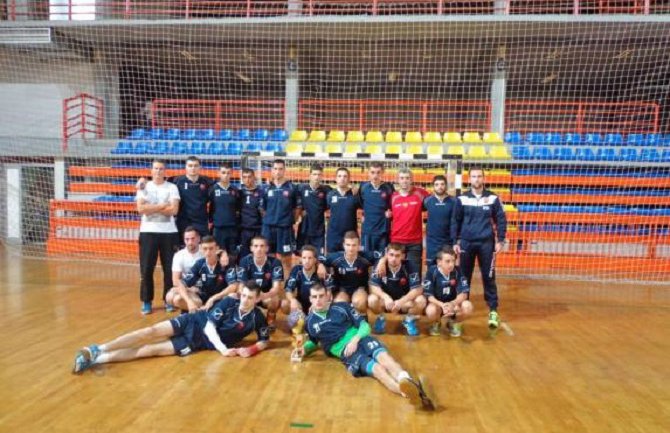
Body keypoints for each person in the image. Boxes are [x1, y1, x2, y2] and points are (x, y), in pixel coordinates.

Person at [72, 282, 270, 374]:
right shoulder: (229, 302)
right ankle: (99, 348)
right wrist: (224, 350)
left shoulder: (257, 318)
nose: (244, 300)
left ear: (257, 299)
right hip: (194, 321)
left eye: (249, 297)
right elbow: (210, 327)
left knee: (150, 350)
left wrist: (251, 349)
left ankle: (96, 360)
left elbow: (264, 340)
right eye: (243, 295)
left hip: (197, 342)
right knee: (149, 332)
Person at [295, 284, 428, 406]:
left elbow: (365, 326)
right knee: (377, 369)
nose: (318, 300)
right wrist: (304, 349)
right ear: (310, 299)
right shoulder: (310, 323)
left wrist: (355, 340)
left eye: (321, 296)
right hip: (347, 352)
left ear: (327, 296)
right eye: (314, 297)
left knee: (384, 358)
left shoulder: (342, 307)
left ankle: (407, 380)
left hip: (361, 339)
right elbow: (315, 342)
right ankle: (406, 392)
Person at [451, 166, 507, 329]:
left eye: (479, 176)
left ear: (484, 178)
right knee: (464, 277)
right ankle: (461, 309)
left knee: (489, 277)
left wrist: (500, 240)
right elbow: (455, 221)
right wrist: (455, 241)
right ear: (469, 179)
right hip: (466, 243)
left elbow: (501, 219)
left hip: (486, 244)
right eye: (474, 176)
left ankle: (493, 311)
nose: (476, 179)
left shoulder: (493, 198)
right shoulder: (462, 199)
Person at [136, 159, 180, 315]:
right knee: (146, 268)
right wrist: (162, 206)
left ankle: (168, 300)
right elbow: (141, 209)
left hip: (169, 233)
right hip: (148, 233)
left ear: (165, 171)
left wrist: (151, 208)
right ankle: (147, 301)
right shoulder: (144, 186)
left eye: (161, 169)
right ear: (151, 170)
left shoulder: (172, 187)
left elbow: (174, 210)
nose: (158, 171)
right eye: (155, 168)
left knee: (169, 269)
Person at [167, 235, 238, 313]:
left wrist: (214, 298)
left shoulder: (226, 262)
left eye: (211, 248)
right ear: (201, 248)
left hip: (221, 298)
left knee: (232, 295)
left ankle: (203, 313)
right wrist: (189, 302)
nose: (208, 252)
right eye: (205, 249)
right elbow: (182, 284)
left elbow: (233, 286)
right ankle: (200, 311)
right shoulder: (200, 263)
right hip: (203, 297)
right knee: (171, 296)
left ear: (217, 248)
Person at [368, 243, 426, 336]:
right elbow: (373, 286)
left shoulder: (410, 266)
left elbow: (417, 289)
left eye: (397, 255)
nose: (393, 258)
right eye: (391, 255)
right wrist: (386, 297)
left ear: (403, 256)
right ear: (386, 254)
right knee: (372, 299)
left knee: (421, 300)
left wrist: (401, 301)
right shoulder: (380, 265)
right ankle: (381, 317)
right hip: (386, 302)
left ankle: (409, 319)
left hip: (404, 302)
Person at [320, 231, 375, 316]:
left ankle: (362, 321)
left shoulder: (365, 257)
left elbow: (382, 256)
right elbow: (318, 258)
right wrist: (320, 265)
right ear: (343, 245)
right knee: (339, 304)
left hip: (359, 289)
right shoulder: (336, 258)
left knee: (359, 302)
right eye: (348, 245)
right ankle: (346, 322)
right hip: (342, 289)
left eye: (354, 245)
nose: (351, 248)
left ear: (359, 246)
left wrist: (382, 262)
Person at [260, 159, 300, 273]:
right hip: (268, 228)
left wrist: (290, 220)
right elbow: (262, 209)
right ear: (272, 170)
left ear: (284, 170)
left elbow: (297, 208)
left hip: (285, 228)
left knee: (286, 258)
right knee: (268, 256)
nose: (278, 171)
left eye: (280, 169)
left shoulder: (292, 188)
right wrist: (270, 218)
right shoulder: (266, 188)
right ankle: (271, 281)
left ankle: (287, 282)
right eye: (275, 169)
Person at [236, 236, 285, 329]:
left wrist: (263, 296)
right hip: (250, 294)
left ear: (267, 248)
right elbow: (241, 286)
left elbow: (276, 288)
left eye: (262, 246)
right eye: (256, 246)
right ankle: (245, 317)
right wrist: (249, 297)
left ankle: (270, 318)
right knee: (235, 296)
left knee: (274, 299)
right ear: (251, 248)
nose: (259, 249)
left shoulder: (275, 262)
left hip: (265, 295)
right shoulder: (244, 261)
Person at [423, 247, 473, 337]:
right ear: (439, 262)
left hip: (453, 305)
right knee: (430, 311)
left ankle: (454, 323)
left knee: (467, 306)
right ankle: (436, 322)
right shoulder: (432, 271)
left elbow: (464, 294)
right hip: (438, 305)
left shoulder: (458, 271)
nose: (451, 264)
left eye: (453, 261)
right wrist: (442, 305)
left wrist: (452, 304)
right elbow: (429, 296)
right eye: (447, 261)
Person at [389, 168, 429, 277]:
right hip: (397, 240)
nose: (405, 180)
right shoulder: (393, 197)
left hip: (414, 242)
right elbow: (387, 212)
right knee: (397, 273)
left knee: (414, 274)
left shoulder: (420, 194)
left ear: (411, 179)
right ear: (398, 180)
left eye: (407, 178)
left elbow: (434, 202)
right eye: (402, 178)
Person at [281, 245, 331, 321]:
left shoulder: (321, 271)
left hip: (318, 304)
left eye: (310, 258)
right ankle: (300, 320)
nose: (307, 261)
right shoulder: (297, 270)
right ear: (301, 259)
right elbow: (288, 290)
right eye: (304, 258)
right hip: (301, 305)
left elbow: (329, 292)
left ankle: (315, 320)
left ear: (315, 260)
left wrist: (316, 305)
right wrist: (293, 300)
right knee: (285, 304)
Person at [171, 156, 214, 239]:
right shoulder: (177, 181)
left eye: (195, 166)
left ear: (199, 167)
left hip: (201, 222)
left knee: (203, 245)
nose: (193, 168)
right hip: (183, 222)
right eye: (190, 166)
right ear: (185, 167)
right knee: (184, 246)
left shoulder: (207, 182)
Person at [358, 162, 394, 257]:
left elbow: (392, 206)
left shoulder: (389, 188)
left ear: (383, 173)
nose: (375, 176)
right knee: (366, 259)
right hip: (367, 231)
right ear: (368, 173)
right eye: (372, 172)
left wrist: (390, 213)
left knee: (382, 259)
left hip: (383, 231)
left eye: (378, 172)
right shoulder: (363, 187)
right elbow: (361, 204)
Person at [295, 164, 332, 255]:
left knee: (319, 257)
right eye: (314, 174)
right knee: (303, 256)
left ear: (322, 176)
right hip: (304, 229)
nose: (317, 177)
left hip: (319, 231)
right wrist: (298, 212)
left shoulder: (326, 190)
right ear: (310, 175)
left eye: (319, 174)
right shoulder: (301, 188)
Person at [166, 226, 203, 312]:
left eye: (193, 239)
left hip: (201, 289)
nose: (190, 242)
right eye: (187, 239)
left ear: (198, 238)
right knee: (169, 297)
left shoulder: (205, 251)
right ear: (184, 240)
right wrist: (187, 289)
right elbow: (175, 280)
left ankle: (196, 310)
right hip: (186, 288)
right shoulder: (179, 255)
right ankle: (192, 309)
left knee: (178, 299)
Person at [209, 163, 240, 259]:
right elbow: (209, 207)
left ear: (232, 174)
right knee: (219, 255)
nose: (226, 175)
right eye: (223, 172)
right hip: (218, 228)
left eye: (228, 173)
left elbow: (238, 209)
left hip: (232, 228)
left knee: (232, 255)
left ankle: (232, 269)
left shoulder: (235, 190)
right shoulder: (213, 189)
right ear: (218, 173)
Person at [326, 167, 361, 253]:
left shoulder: (355, 194)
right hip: (333, 236)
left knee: (350, 260)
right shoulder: (330, 195)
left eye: (345, 176)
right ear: (335, 178)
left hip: (350, 237)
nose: (342, 178)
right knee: (332, 260)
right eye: (339, 176)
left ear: (349, 179)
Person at [423, 175, 456, 266]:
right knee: (431, 268)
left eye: (442, 184)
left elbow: (456, 222)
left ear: (446, 186)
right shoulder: (427, 201)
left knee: (447, 268)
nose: (440, 187)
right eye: (437, 184)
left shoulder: (454, 201)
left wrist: (455, 241)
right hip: (432, 243)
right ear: (433, 186)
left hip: (447, 242)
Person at [238, 168, 264, 261]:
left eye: (249, 177)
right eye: (244, 177)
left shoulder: (261, 192)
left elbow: (263, 212)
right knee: (243, 257)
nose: (247, 179)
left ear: (254, 177)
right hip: (244, 230)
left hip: (258, 229)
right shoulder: (239, 192)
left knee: (258, 256)